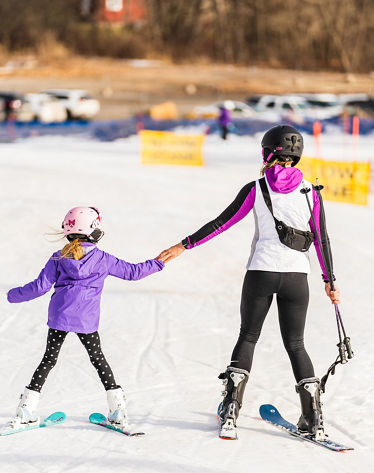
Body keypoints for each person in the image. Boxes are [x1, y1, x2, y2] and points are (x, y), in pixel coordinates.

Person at [158, 125, 340, 440]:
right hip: (298, 277)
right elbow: (321, 239)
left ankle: (230, 411)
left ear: (268, 153)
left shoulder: (256, 189)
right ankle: (313, 419)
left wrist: (183, 245)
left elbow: (220, 223)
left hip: (261, 273)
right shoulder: (312, 191)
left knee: (248, 337)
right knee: (296, 344)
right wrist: (329, 280)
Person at [5, 206, 164, 433]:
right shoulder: (102, 259)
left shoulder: (59, 257)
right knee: (98, 360)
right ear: (94, 232)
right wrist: (158, 262)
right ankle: (117, 411)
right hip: (86, 321)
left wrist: (12, 295)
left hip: (59, 317)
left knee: (49, 360)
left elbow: (40, 287)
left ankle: (25, 411)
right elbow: (133, 272)